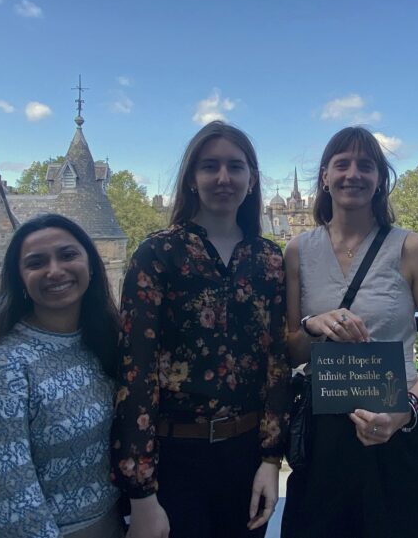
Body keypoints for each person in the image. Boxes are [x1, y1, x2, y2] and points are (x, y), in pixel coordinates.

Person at [281, 126, 418, 538]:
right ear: (324, 177)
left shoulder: (412, 248)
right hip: (323, 438)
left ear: (380, 178)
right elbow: (291, 351)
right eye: (341, 164)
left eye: (366, 165)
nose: (353, 174)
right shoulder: (297, 251)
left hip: (397, 431)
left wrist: (407, 409)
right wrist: (313, 326)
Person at [111, 121, 289, 538]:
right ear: (192, 178)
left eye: (235, 166)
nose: (223, 178)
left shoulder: (269, 258)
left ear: (252, 178)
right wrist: (141, 492)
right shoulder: (158, 253)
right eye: (210, 166)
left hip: (245, 457)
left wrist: (270, 460)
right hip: (174, 458)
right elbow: (135, 373)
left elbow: (277, 364)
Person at [0, 214, 125, 538]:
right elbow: (5, 501)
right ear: (20, 278)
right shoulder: (3, 366)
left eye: (67, 255)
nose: (54, 271)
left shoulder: (101, 343)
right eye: (36, 262)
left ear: (90, 265)